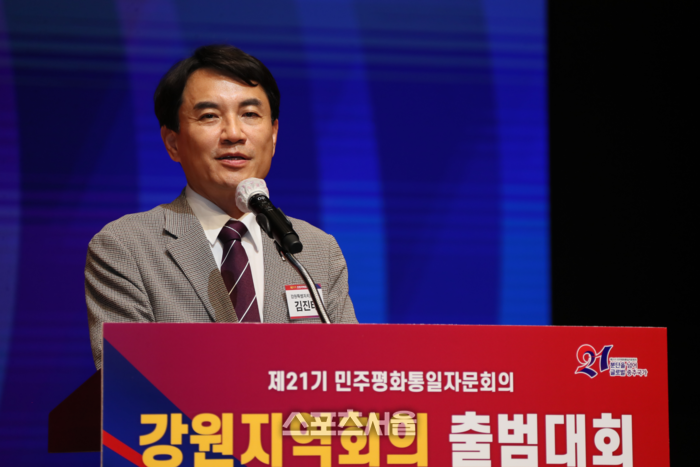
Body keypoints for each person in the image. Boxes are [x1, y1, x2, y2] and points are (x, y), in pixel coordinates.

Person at [85, 45, 357, 369]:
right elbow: (127, 383)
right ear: (173, 142)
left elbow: (348, 375)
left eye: (250, 114)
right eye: (209, 116)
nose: (234, 134)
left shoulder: (316, 250)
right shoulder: (127, 247)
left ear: (273, 134)